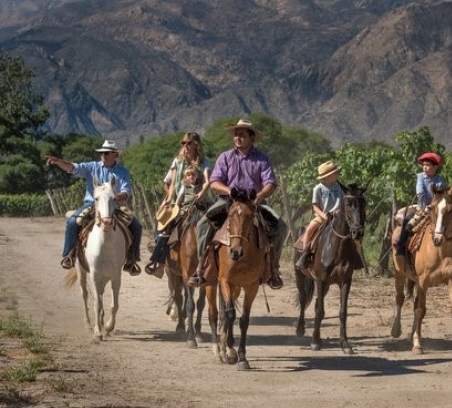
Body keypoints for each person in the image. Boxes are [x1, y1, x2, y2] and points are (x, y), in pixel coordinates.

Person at [188, 119, 284, 289]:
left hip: (254, 202)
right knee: (203, 224)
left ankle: (274, 268)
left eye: (242, 135)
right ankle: (200, 267)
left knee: (280, 226)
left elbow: (270, 182)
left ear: (251, 138)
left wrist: (260, 196)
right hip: (227, 200)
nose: (238, 138)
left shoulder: (262, 159)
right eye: (236, 135)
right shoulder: (225, 157)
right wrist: (229, 190)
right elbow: (215, 182)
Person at [46, 140, 143, 275]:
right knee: (73, 222)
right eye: (101, 153)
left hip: (114, 206)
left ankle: (132, 259)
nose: (102, 155)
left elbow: (126, 191)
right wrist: (58, 162)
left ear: (115, 155)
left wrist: (114, 197)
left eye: (106, 153)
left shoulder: (123, 172)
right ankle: (69, 255)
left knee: (137, 226)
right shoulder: (91, 167)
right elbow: (72, 168)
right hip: (92, 204)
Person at [145, 132, 211, 276]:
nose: (185, 146)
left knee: (217, 225)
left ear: (196, 145)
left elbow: (207, 181)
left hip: (200, 202)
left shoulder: (204, 162)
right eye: (183, 143)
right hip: (179, 202)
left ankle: (216, 265)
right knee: (164, 226)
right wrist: (169, 200)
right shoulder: (177, 162)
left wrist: (201, 194)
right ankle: (160, 262)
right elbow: (170, 183)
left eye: (188, 143)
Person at [395, 152, 452, 262]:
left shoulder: (440, 179)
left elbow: (442, 193)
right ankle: (401, 247)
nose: (424, 167)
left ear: (436, 167)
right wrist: (425, 207)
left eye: (428, 165)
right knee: (407, 220)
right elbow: (420, 192)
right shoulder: (420, 177)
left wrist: (439, 204)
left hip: (439, 207)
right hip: (423, 206)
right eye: (423, 164)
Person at [295, 160, 345, 270]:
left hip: (338, 217)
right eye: (335, 173)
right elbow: (315, 206)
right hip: (322, 217)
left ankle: (356, 257)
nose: (337, 174)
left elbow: (343, 202)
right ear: (328, 176)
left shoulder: (339, 187)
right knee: (309, 230)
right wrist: (324, 215)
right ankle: (305, 255)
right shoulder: (318, 188)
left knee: (353, 234)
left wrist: (339, 211)